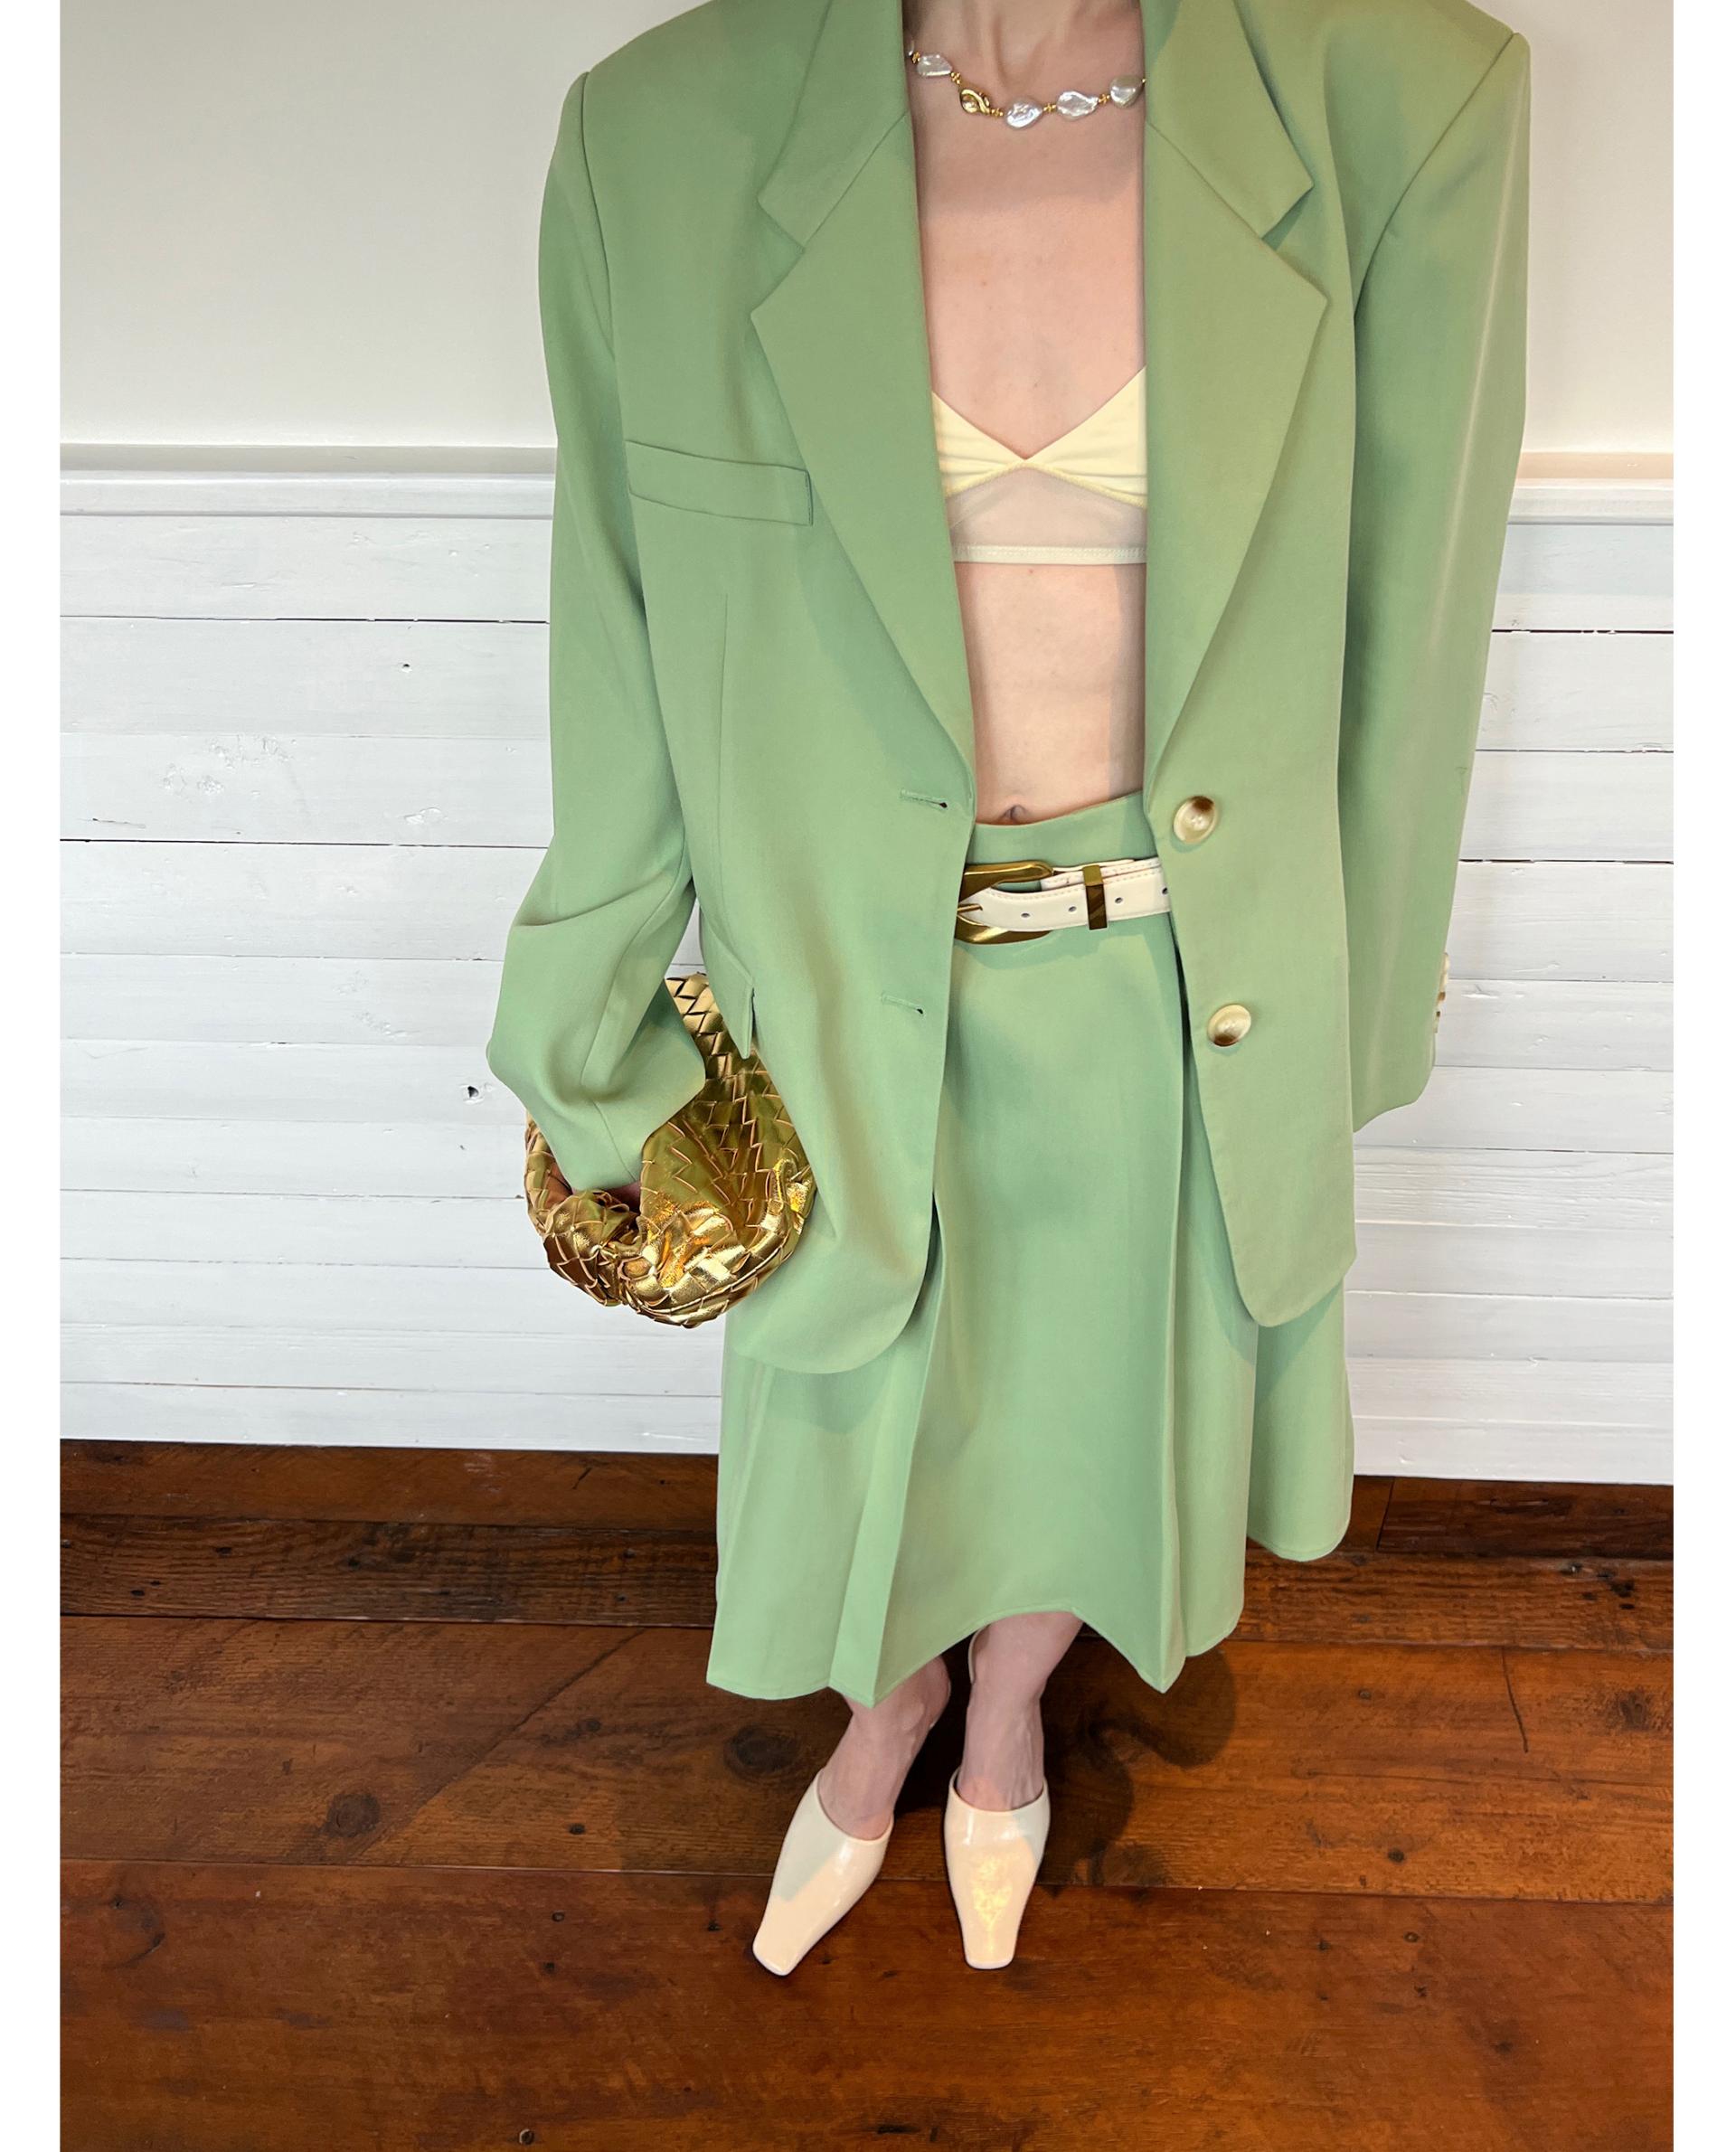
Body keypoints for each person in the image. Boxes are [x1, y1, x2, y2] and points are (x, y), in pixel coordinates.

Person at [486, 0, 1529, 1974]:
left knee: (1092, 1424)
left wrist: (1353, 1021)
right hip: (834, 996)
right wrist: (584, 1018)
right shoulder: (660, 137)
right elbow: (617, 624)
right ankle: (882, 1710)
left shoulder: (1405, 103)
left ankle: (1008, 1716)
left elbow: (1414, 623)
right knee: (861, 1430)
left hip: (1178, 990)